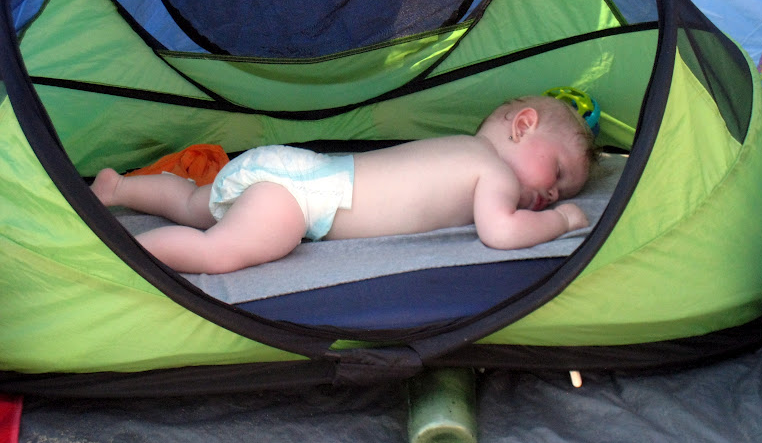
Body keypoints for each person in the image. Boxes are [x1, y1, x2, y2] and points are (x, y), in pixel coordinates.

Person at [91, 95, 596, 274]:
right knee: (215, 251)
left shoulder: (460, 146)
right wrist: (561, 220)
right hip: (299, 201)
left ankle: (118, 190)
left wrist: (554, 201)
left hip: (292, 168)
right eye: (557, 174)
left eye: (564, 194)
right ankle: (123, 253)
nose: (553, 194)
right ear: (522, 126)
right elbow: (501, 232)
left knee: (194, 204)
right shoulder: (494, 172)